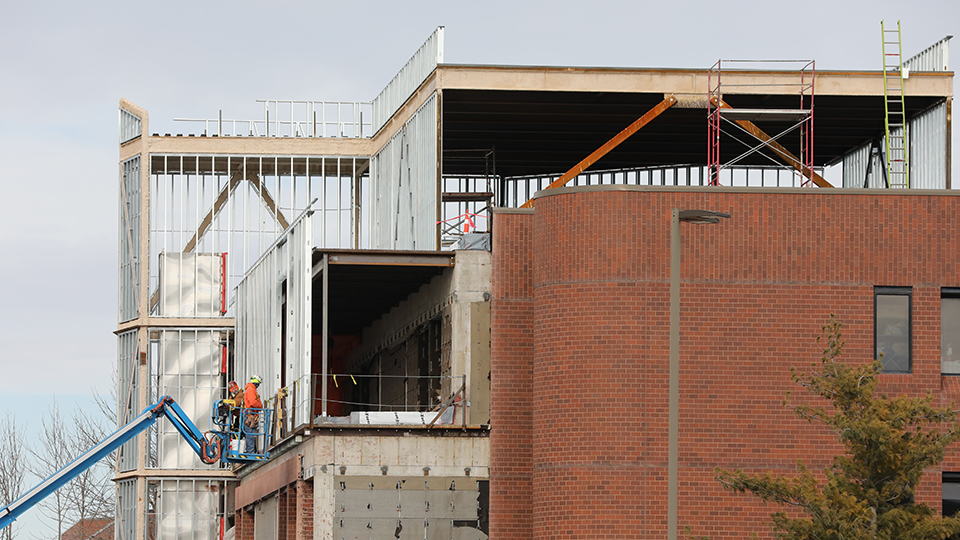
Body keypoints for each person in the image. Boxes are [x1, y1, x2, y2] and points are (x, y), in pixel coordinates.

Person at [243, 374, 263, 453]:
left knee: (251, 434)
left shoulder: (251, 389)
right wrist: (260, 406)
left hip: (251, 415)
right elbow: (253, 403)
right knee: (250, 434)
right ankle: (250, 451)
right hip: (250, 415)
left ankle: (251, 450)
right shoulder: (251, 390)